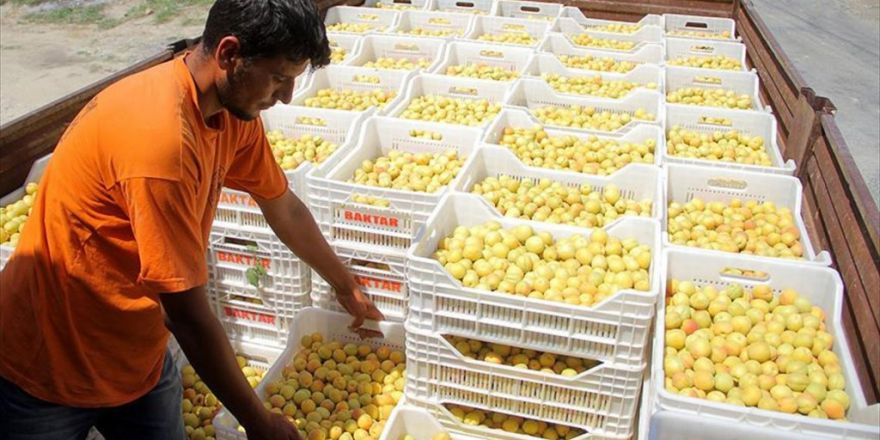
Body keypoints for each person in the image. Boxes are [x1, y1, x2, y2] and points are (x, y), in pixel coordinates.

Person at [0, 1, 383, 439]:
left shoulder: (229, 110)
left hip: (134, 355)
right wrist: (259, 422)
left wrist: (344, 283)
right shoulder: (162, 144)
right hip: (46, 368)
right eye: (279, 78)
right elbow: (185, 313)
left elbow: (283, 206)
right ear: (228, 54)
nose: (286, 97)